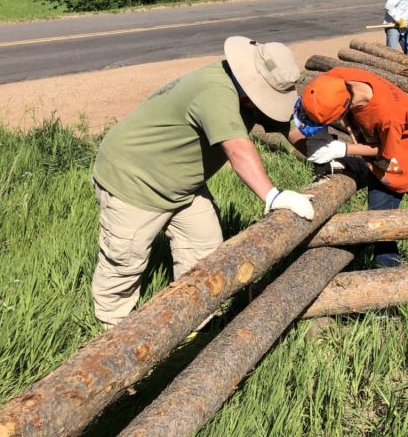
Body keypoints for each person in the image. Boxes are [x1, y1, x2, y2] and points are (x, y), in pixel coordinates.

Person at [89, 37, 314, 328]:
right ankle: (112, 337)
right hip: (134, 178)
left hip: (182, 183)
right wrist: (273, 196)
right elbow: (237, 149)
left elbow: (286, 129)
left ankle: (196, 322)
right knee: (126, 259)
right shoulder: (216, 91)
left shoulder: (244, 92)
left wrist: (325, 155)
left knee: (204, 251)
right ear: (252, 81)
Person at [293, 67, 408, 267]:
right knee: (379, 222)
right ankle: (386, 270)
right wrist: (321, 137)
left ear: (344, 106)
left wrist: (343, 149)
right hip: (382, 168)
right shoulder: (335, 80)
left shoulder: (387, 113)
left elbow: (386, 152)